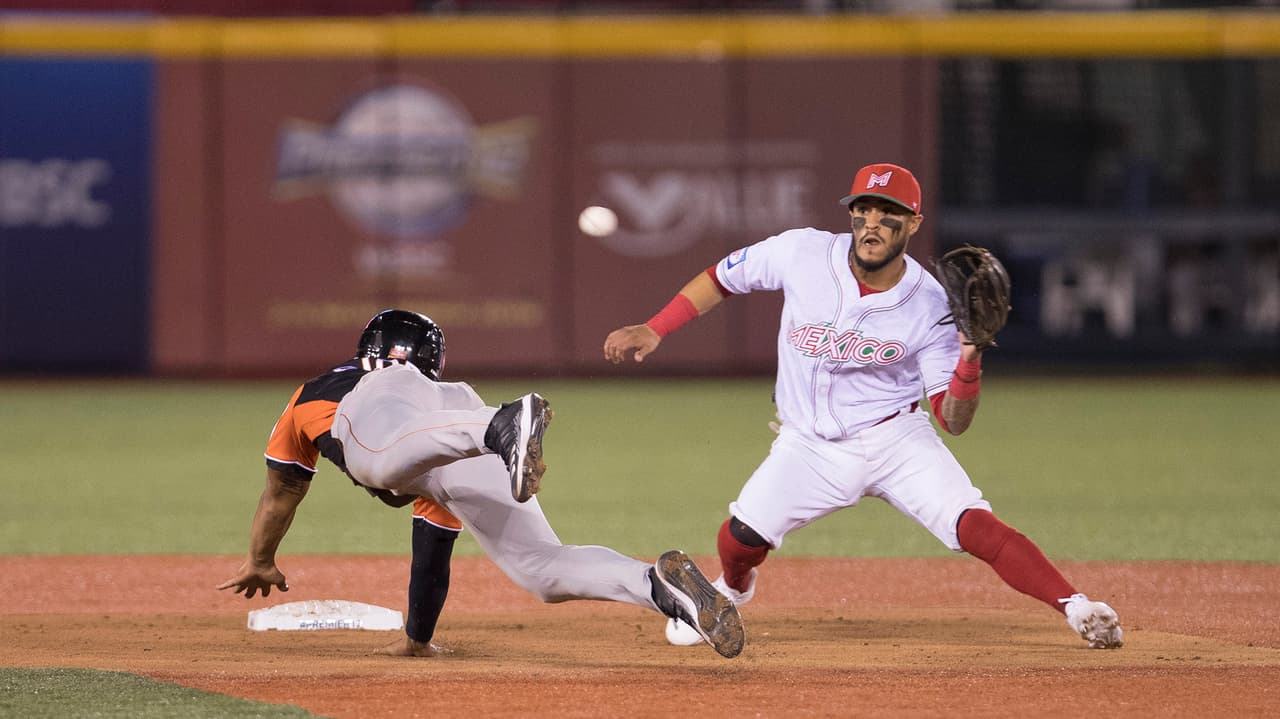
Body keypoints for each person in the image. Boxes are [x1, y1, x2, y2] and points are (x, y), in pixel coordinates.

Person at [603, 163, 1124, 650]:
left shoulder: (932, 304)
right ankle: (733, 590)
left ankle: (1078, 607)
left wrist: (970, 357)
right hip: (808, 444)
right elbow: (722, 277)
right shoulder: (802, 253)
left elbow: (952, 418)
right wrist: (655, 326)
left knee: (974, 525)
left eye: (889, 213)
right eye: (864, 209)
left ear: (913, 223)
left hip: (895, 439)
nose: (872, 222)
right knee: (738, 539)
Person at [218, 308, 746, 659]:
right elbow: (432, 542)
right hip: (458, 424)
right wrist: (417, 639)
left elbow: (281, 493)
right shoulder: (433, 435)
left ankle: (501, 423)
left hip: (436, 420)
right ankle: (661, 589)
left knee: (371, 463)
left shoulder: (324, 390)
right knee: (541, 569)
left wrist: (261, 558)